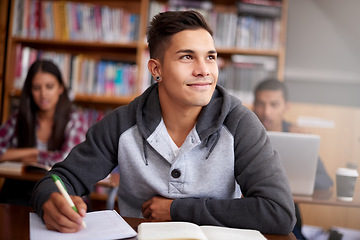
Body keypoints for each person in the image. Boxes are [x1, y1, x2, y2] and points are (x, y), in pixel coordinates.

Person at [31, 10, 296, 234]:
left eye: (211, 57)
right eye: (187, 57)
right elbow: (59, 178)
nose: (204, 70)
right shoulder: (123, 122)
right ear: (156, 69)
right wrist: (49, 200)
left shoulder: (240, 123)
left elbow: (279, 212)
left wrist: (177, 210)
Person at [253, 79, 333, 239]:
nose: (266, 112)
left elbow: (325, 181)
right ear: (253, 104)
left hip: (286, 218)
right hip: (249, 214)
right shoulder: (244, 134)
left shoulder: (298, 138)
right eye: (261, 104)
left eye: (274, 105)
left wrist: (305, 156)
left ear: (286, 106)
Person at [0, 59, 88, 205]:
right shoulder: (18, 117)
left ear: (60, 88)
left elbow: (67, 160)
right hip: (17, 193)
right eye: (36, 87)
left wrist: (15, 155)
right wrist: (33, 152)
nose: (43, 94)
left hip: (58, 193)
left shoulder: (75, 119)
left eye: (49, 87)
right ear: (29, 90)